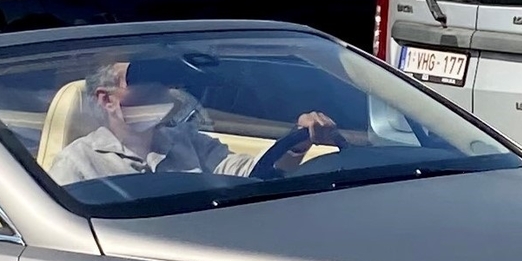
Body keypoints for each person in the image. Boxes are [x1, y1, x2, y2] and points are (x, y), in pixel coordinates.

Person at [48, 55, 346, 185]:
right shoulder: (77, 164)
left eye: (162, 78)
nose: (161, 89)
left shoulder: (190, 142)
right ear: (107, 99)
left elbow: (253, 174)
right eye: (142, 77)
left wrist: (297, 143)